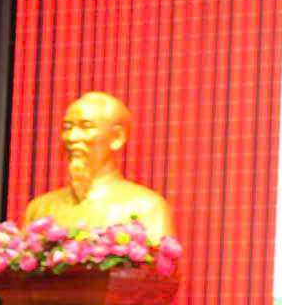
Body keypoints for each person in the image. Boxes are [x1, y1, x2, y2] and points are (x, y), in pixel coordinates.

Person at [23, 91, 175, 241]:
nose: (72, 137)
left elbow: (158, 255)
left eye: (86, 127)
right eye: (67, 127)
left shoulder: (146, 207)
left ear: (117, 137)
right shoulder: (40, 209)